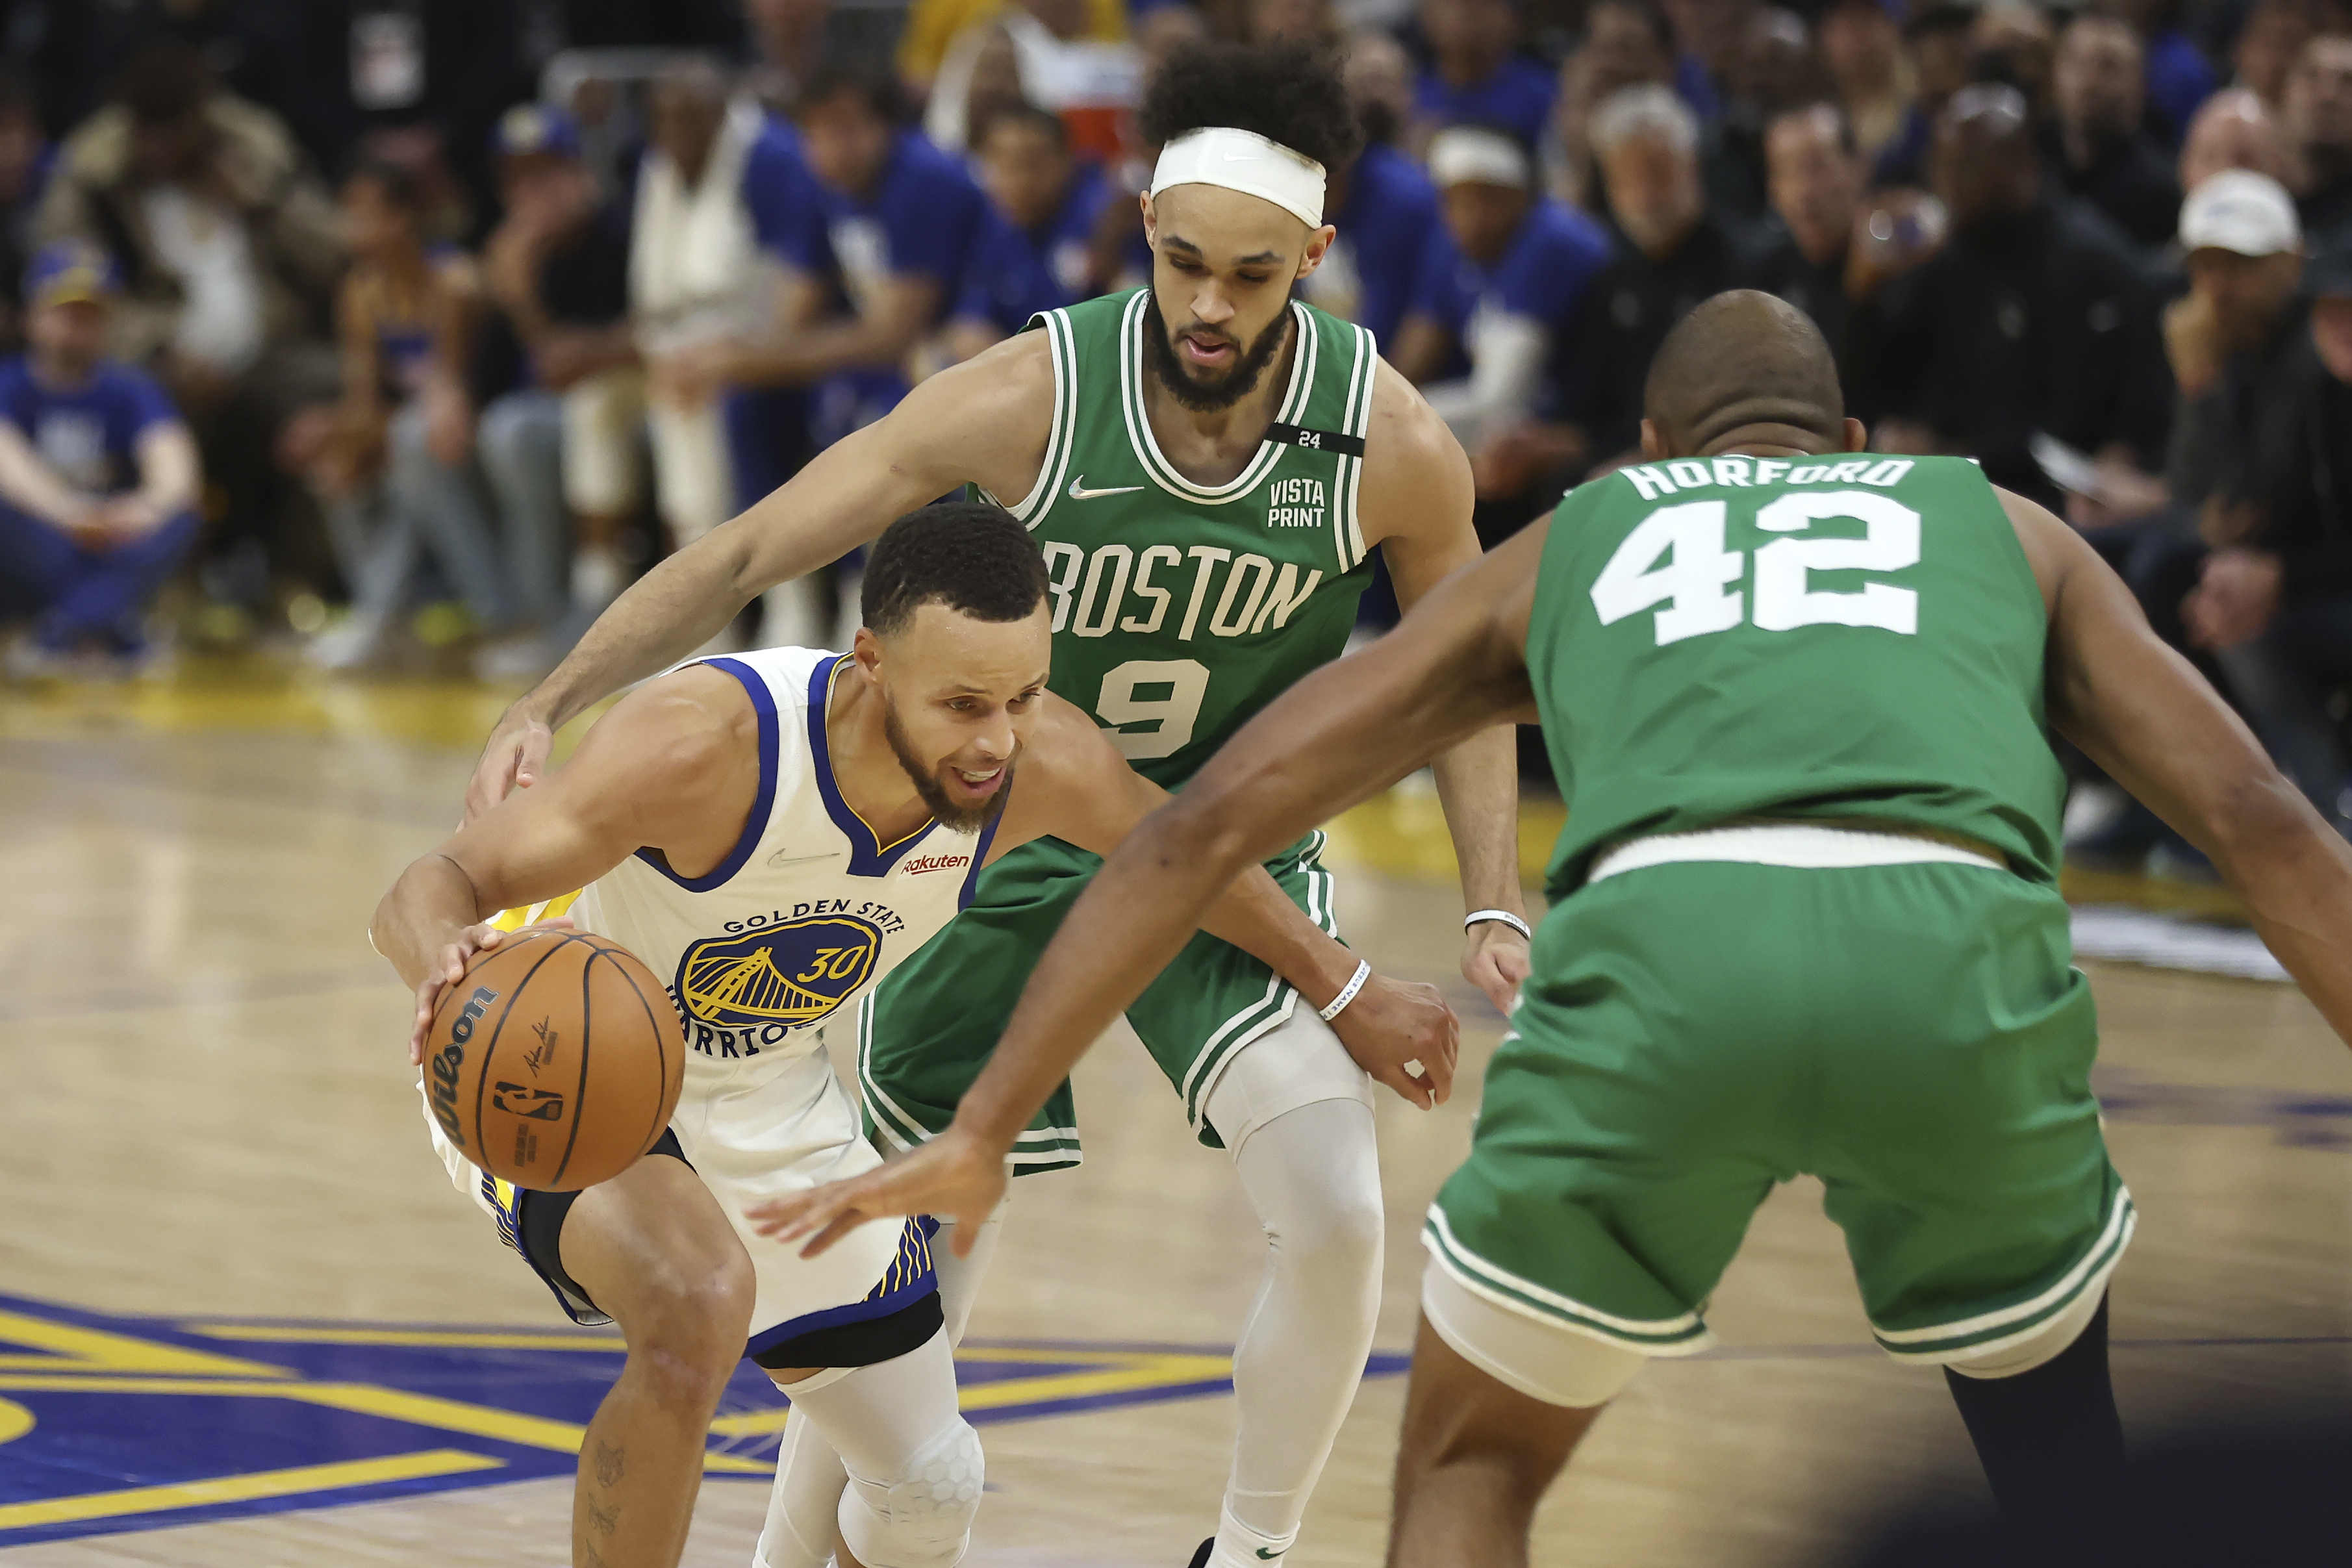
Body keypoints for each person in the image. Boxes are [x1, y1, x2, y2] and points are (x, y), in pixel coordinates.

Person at [750, 289, 2352, 1565]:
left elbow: (1196, 824)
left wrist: (984, 1124)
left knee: (1472, 1458)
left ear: (1650, 448)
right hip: (1949, 956)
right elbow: (2271, 825)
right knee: (2064, 1472)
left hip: (1666, 959)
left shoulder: (1585, 534)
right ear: (1853, 440)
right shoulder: (2001, 525)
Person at [464, 40, 1528, 1568]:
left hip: (1224, 859)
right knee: (900, 1298)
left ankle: (1249, 1548)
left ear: (1315, 256)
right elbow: (751, 549)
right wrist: (547, 695)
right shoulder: (1033, 393)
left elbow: (1469, 672)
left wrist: (1489, 898)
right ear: (1139, 223)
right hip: (989, 857)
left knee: (1344, 1208)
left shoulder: (1392, 442)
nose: (1210, 308)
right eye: (1180, 265)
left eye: (1249, 274)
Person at [375, 502, 1452, 1568]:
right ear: (871, 661)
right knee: (696, 1300)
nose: (997, 739)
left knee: (930, 1487)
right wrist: (446, 973)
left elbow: (1185, 849)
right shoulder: (702, 745)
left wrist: (1346, 987)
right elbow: (437, 880)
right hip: (563, 1059)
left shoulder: (1042, 762)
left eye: (1023, 695)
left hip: (765, 1089)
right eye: (964, 702)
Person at [34, 38, 344, 614]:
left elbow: (333, 258)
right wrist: (159, 346)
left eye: (173, 131)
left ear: (204, 117)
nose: (159, 147)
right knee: (144, 409)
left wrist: (260, 203)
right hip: (159, 363)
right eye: (146, 133)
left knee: (341, 395)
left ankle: (298, 585)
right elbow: (64, 291)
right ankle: (171, 589)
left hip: (271, 351)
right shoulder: (94, 173)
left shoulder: (258, 150)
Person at [1860, 84, 2171, 511]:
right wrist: (1863, 289)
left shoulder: (2087, 263)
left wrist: (1951, 454)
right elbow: (1883, 383)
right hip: (1962, 482)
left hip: (2059, 497)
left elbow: (2064, 429)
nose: (1947, 183)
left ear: (2023, 166)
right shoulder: (1940, 260)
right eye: (1942, 165)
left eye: (1967, 166)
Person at [284, 160, 507, 672]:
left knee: (411, 443)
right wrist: (330, 432)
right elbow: (363, 406)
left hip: (473, 437)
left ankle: (384, 617)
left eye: (367, 215)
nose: (352, 230)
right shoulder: (361, 293)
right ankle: (386, 615)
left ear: (405, 218)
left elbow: (455, 395)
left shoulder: (453, 283)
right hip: (420, 437)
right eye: (350, 215)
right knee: (338, 462)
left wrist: (376, 431)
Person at [1391, 124, 1610, 528]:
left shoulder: (1551, 243)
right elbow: (1412, 355)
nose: (1471, 217)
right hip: (1513, 426)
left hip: (1581, 426)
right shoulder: (1450, 245)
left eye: (1488, 198)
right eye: (1457, 201)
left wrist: (1380, 426)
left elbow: (1501, 400)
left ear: (1522, 198)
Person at [0, 240, 199, 677]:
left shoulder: (132, 389)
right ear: (32, 316)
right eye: (65, 313)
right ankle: (111, 628)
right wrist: (67, 513)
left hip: (113, 538)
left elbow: (175, 468)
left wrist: (145, 510)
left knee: (183, 515)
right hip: (42, 537)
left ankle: (63, 631)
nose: (78, 327)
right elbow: (7, 463)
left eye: (92, 315)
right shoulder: (8, 384)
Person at [476, 102, 642, 627]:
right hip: (560, 416)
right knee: (465, 435)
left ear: (580, 173)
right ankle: (505, 612)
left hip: (631, 410)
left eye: (547, 174)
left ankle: (564, 615)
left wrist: (528, 306)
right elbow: (491, 380)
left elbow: (564, 366)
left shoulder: (622, 237)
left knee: (516, 434)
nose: (534, 194)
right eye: (519, 180)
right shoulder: (510, 254)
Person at [1552, 83, 1753, 473]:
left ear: (1691, 166)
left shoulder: (1742, 270)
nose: (1645, 197)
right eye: (1626, 180)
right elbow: (1593, 414)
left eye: (1657, 175)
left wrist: (1644, 464)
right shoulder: (1611, 281)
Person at [942, 101, 1117, 361]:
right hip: (1022, 372)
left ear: (1067, 160)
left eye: (1033, 163)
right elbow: (968, 323)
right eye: (1003, 163)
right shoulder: (987, 221)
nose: (1019, 180)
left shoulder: (1107, 218)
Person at [1741, 101, 1869, 387]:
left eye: (1818, 167)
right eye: (1787, 172)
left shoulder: (1904, 264)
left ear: (1859, 168)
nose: (1805, 191)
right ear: (1772, 189)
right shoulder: (1764, 281)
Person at [2047, 14, 2183, 251]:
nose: (2088, 82)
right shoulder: (2034, 165)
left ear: (2141, 84)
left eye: (2108, 67)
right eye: (2076, 63)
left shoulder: (2161, 191)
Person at [1415, 0, 1558, 150]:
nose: (1470, 16)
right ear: (1428, 17)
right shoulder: (1408, 94)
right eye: (1458, 5)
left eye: (1485, 5)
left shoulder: (1545, 96)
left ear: (1513, 18)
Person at [2283, 33, 2352, 251]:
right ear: (2284, 94)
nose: (2328, 96)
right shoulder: (2251, 200)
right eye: (2312, 77)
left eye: (2348, 82)